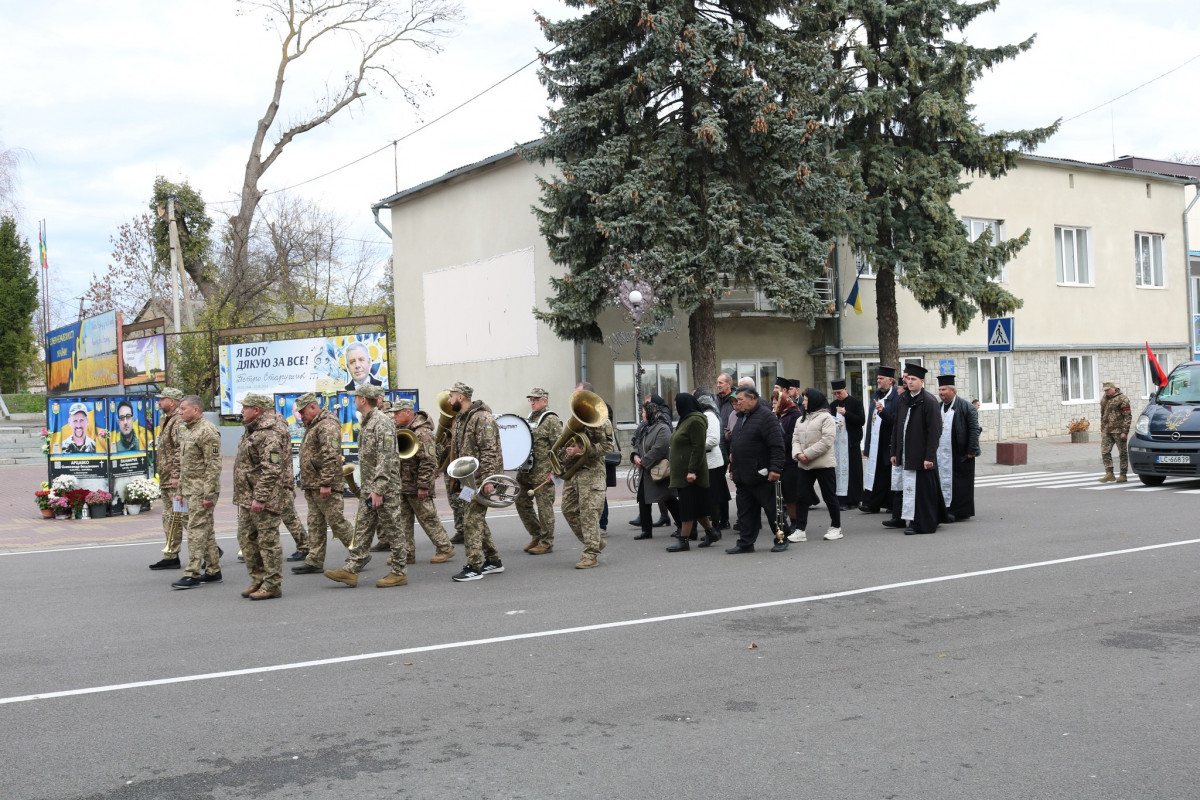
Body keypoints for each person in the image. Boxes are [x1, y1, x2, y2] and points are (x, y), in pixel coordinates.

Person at [325, 384, 410, 588]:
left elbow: (386, 456)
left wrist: (379, 488)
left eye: (356, 397)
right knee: (362, 528)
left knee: (393, 529)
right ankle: (351, 569)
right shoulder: (368, 421)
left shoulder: (382, 422)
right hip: (370, 487)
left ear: (363, 400)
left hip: (383, 488)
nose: (354, 400)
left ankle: (399, 572)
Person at [233, 392, 293, 599]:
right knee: (246, 538)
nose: (242, 411)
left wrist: (260, 497)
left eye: (245, 407)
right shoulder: (253, 429)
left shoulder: (270, 433)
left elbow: (271, 469)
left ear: (256, 410)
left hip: (265, 498)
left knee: (267, 541)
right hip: (247, 496)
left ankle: (272, 584)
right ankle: (258, 579)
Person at [445, 382, 506, 582]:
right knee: (473, 517)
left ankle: (473, 566)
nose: (448, 400)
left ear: (461, 397)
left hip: (481, 480)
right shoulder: (462, 418)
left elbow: (489, 450)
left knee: (471, 520)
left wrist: (489, 479)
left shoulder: (482, 418)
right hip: (469, 482)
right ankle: (493, 561)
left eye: (451, 396)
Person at [290, 393, 354, 575]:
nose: (301, 416)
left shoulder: (327, 424)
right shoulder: (314, 424)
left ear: (313, 407)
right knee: (315, 523)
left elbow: (331, 454)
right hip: (313, 484)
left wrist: (326, 482)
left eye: (303, 412)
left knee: (336, 521)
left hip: (325, 484)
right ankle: (314, 559)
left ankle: (358, 551)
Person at [391, 398, 456, 564]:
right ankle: (407, 553)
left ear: (408, 412)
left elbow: (428, 460)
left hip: (417, 484)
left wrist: (423, 485)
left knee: (428, 518)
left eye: (397, 413)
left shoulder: (422, 432)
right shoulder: (401, 428)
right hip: (403, 483)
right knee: (403, 520)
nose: (394, 416)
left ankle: (445, 548)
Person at [725, 385, 787, 554]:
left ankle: (781, 538)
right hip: (743, 475)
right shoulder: (741, 417)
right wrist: (733, 468)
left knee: (772, 509)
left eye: (740, 400)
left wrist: (775, 468)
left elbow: (777, 445)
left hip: (762, 474)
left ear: (752, 399)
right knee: (745, 511)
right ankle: (745, 542)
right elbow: (736, 446)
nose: (738, 404)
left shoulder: (766, 417)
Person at [557, 389, 615, 568]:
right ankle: (595, 542)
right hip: (574, 474)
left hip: (592, 473)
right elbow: (567, 448)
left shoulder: (601, 421)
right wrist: (567, 454)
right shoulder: (574, 422)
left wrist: (583, 451)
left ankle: (590, 555)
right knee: (567, 509)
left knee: (589, 513)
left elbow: (608, 446)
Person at [170, 395, 223, 589]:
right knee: (205, 530)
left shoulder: (207, 431)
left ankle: (192, 573)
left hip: (202, 490)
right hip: (190, 490)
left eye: (183, 408)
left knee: (195, 530)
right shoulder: (189, 430)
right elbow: (186, 466)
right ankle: (213, 570)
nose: (180, 411)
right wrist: (180, 491)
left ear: (196, 410)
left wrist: (209, 494)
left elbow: (213, 465)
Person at [889, 363, 945, 535]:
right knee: (909, 488)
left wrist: (929, 456)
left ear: (922, 381)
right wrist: (894, 452)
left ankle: (921, 523)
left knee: (922, 492)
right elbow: (897, 427)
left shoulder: (929, 401)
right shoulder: (904, 399)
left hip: (921, 456)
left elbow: (934, 431)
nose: (910, 382)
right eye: (908, 379)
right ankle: (910, 519)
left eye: (914, 379)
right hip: (906, 454)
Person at [788, 388, 843, 542]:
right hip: (804, 465)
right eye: (804, 400)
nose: (804, 403)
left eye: (806, 400)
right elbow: (795, 439)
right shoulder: (801, 419)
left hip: (823, 464)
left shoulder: (826, 418)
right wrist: (798, 454)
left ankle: (836, 527)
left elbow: (827, 441)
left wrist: (807, 454)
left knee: (829, 496)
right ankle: (800, 529)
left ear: (814, 400)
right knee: (801, 496)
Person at [665, 392, 715, 552]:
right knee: (697, 507)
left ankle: (684, 540)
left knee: (687, 507)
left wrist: (692, 470)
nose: (675, 407)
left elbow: (698, 447)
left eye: (676, 404)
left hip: (691, 473)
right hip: (683, 472)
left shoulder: (695, 420)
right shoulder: (686, 419)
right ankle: (711, 532)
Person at [515, 387, 562, 555]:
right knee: (520, 502)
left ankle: (546, 542)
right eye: (531, 400)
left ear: (545, 401)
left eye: (536, 399)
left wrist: (555, 472)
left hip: (544, 472)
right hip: (526, 470)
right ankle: (536, 534)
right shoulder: (528, 419)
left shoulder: (551, 420)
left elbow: (559, 448)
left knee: (544, 508)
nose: (532, 403)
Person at [148, 389, 185, 570]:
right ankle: (171, 555)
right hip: (166, 477)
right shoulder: (166, 420)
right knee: (170, 517)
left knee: (185, 517)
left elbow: (180, 450)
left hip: (174, 478)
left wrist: (176, 475)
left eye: (161, 399)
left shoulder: (179, 421)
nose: (159, 403)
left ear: (172, 402)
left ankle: (210, 551)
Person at [631, 401, 679, 541]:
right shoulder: (646, 427)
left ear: (651, 412)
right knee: (643, 500)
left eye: (644, 412)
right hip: (645, 471)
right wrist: (635, 456)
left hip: (658, 470)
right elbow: (637, 444)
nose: (642, 414)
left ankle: (683, 524)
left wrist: (644, 461)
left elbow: (660, 448)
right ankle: (646, 530)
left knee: (668, 499)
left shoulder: (662, 428)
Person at [935, 375, 981, 521]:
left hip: (961, 453)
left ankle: (960, 512)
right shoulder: (938, 406)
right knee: (943, 481)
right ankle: (945, 509)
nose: (941, 392)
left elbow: (974, 429)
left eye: (944, 389)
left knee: (961, 484)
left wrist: (971, 450)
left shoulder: (966, 407)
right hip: (942, 452)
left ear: (953, 391)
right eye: (940, 390)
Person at [860, 366, 899, 514]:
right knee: (876, 474)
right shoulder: (876, 394)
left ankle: (888, 503)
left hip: (887, 441)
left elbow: (895, 420)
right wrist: (868, 444)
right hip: (876, 442)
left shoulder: (896, 396)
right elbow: (871, 420)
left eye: (881, 379)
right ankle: (872, 503)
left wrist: (884, 411)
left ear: (890, 381)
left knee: (887, 474)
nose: (878, 381)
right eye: (878, 378)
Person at [694, 388, 728, 544]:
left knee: (713, 499)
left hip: (712, 464)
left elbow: (713, 440)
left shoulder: (709, 415)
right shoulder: (703, 415)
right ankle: (713, 529)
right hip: (707, 463)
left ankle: (716, 529)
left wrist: (695, 447)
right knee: (709, 499)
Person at [829, 378, 865, 511]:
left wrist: (846, 414)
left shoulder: (855, 403)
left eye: (839, 392)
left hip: (851, 443)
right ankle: (841, 500)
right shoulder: (833, 405)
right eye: (835, 393)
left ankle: (855, 499)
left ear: (845, 389)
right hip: (837, 445)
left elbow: (861, 420)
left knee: (854, 472)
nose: (837, 396)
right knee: (838, 472)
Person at [773, 390, 803, 530]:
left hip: (792, 461)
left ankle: (796, 522)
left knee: (792, 494)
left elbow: (792, 437)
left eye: (775, 402)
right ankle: (792, 520)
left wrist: (777, 443)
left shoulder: (795, 415)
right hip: (781, 460)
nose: (773, 405)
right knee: (785, 494)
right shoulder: (778, 416)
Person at [713, 373, 736, 530]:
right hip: (718, 446)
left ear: (729, 384)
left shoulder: (735, 399)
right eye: (717, 383)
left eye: (721, 383)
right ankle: (721, 518)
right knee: (718, 483)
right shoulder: (715, 400)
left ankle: (729, 518)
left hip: (731, 446)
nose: (719, 385)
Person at [1098, 380, 1132, 483]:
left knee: (1122, 453)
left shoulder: (1123, 399)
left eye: (1108, 390)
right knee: (1105, 451)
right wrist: (1103, 430)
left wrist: (1124, 432)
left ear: (1114, 388)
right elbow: (1103, 415)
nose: (1106, 392)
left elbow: (1127, 416)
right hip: (1108, 430)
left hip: (1119, 430)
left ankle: (1123, 474)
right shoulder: (1104, 399)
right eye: (1105, 390)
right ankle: (1109, 473)